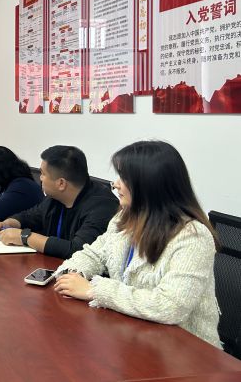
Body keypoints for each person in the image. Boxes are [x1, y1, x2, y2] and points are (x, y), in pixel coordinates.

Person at [54, 141, 222, 348]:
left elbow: (170, 306)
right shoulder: (125, 218)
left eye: (124, 178)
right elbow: (94, 254)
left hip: (186, 350)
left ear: (149, 185)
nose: (115, 184)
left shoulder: (193, 237)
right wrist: (71, 274)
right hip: (133, 337)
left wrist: (94, 290)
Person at [0, 145, 118, 258]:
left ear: (61, 183)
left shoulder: (103, 206)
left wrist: (25, 237)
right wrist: (9, 223)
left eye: (43, 174)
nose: (40, 178)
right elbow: (31, 215)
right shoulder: (55, 198)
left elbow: (78, 250)